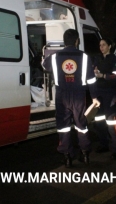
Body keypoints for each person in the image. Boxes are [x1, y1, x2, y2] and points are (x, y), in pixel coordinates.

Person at [42, 29, 100, 168]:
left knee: (63, 126)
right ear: (77, 41)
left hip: (62, 95)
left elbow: (44, 66)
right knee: (81, 124)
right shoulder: (85, 56)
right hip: (79, 95)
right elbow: (91, 80)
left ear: (64, 41)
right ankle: (85, 154)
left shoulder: (55, 56)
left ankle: (67, 156)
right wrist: (94, 97)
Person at [93, 38, 116, 160]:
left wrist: (103, 75)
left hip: (111, 94)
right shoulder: (97, 59)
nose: (101, 47)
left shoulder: (115, 59)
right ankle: (103, 144)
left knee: (112, 124)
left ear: (110, 46)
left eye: (104, 45)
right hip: (99, 95)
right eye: (100, 45)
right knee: (99, 122)